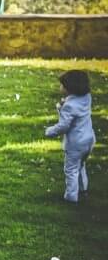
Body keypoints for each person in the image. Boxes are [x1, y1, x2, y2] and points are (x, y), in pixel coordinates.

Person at [45, 70, 95, 202]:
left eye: (62, 85)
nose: (60, 87)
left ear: (69, 88)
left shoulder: (69, 106)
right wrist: (63, 105)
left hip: (76, 143)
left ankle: (71, 198)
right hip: (89, 140)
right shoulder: (86, 98)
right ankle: (83, 189)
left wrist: (50, 131)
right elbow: (75, 109)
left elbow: (64, 126)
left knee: (71, 169)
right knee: (81, 165)